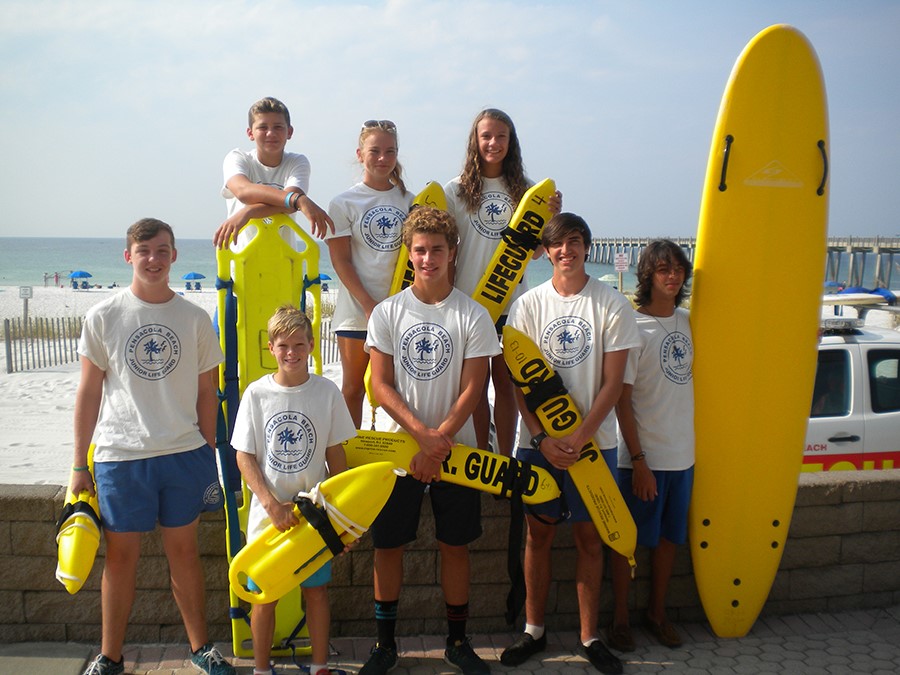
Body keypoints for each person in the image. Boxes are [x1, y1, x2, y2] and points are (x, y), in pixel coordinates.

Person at [71, 218, 234, 675]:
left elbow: (208, 391)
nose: (154, 259)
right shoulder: (103, 316)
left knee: (184, 554)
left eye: (162, 251)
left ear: (175, 256)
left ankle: (201, 648)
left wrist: (205, 447)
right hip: (121, 455)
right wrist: (78, 464)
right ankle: (110, 656)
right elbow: (88, 393)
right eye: (144, 251)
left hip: (183, 454)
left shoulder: (195, 318)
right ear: (129, 257)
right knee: (120, 557)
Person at [361, 207, 500, 674]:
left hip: (455, 455)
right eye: (419, 250)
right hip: (399, 452)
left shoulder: (473, 314)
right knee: (388, 546)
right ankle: (385, 646)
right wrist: (421, 438)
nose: (427, 258)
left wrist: (438, 441)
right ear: (409, 253)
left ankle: (458, 643)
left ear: (452, 252)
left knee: (455, 546)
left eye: (436, 250)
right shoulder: (387, 312)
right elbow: (380, 386)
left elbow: (474, 388)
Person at [501, 213, 639, 674]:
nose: (566, 252)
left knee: (590, 540)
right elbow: (519, 381)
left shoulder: (611, 304)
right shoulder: (528, 305)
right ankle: (533, 632)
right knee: (537, 536)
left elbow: (614, 383)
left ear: (586, 247)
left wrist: (580, 437)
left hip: (594, 445)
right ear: (545, 251)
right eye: (557, 245)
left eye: (574, 243)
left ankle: (589, 637)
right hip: (535, 444)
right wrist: (540, 436)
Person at [231, 305, 356, 675]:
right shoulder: (256, 394)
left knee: (315, 592)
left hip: (312, 516)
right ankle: (260, 669)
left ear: (312, 345)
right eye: (283, 345)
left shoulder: (327, 392)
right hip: (267, 519)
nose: (291, 353)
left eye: (299, 344)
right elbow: (244, 456)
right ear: (271, 348)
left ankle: (320, 666)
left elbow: (337, 457)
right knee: (264, 596)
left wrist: (342, 518)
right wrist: (271, 504)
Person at [444, 108, 560, 456]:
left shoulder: (525, 191)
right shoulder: (456, 191)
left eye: (501, 136)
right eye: (486, 136)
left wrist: (551, 218)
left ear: (511, 142)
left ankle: (505, 456)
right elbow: (445, 248)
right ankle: (483, 453)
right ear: (475, 141)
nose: (493, 143)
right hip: (470, 301)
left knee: (507, 386)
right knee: (475, 389)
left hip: (513, 301)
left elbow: (537, 252)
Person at [608, 240, 695, 654]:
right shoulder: (633, 327)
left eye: (677, 269)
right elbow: (622, 400)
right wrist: (639, 460)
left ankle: (657, 614)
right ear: (648, 275)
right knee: (628, 543)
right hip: (641, 458)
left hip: (683, 456)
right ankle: (621, 619)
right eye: (663, 269)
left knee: (668, 541)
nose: (672, 276)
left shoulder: (691, 321)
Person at [325, 119, 413, 427]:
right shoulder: (343, 202)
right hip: (356, 312)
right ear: (360, 154)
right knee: (352, 390)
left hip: (401, 313)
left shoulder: (411, 201)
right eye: (375, 151)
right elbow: (342, 261)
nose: (382, 158)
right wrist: (368, 305)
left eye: (390, 151)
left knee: (397, 390)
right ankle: (349, 457)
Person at [214, 96, 333, 249]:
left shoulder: (297, 162)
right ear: (250, 133)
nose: (270, 133)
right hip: (240, 262)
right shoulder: (237, 158)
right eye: (263, 127)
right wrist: (299, 200)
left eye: (278, 127)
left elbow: (289, 205)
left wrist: (248, 211)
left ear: (289, 132)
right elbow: (243, 191)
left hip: (284, 261)